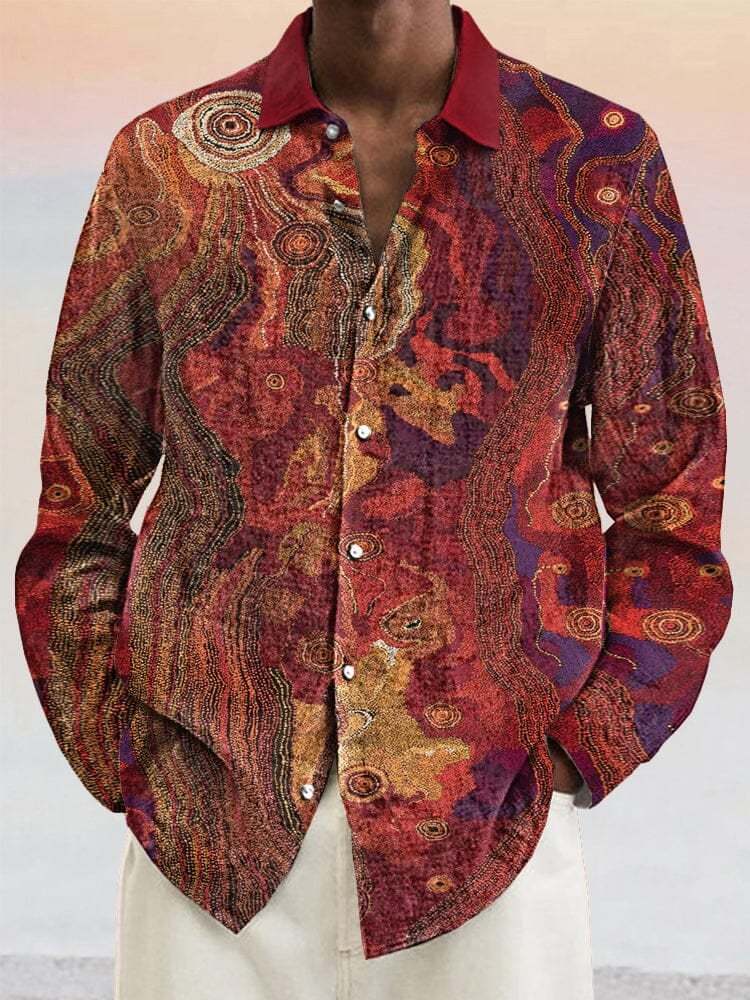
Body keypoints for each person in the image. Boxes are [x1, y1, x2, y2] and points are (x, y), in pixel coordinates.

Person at [14, 2, 732, 998]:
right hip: (207, 847)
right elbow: (80, 502)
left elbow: (673, 501)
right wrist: (123, 756)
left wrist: (582, 749)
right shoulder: (168, 162)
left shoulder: (596, 162)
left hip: (489, 847)